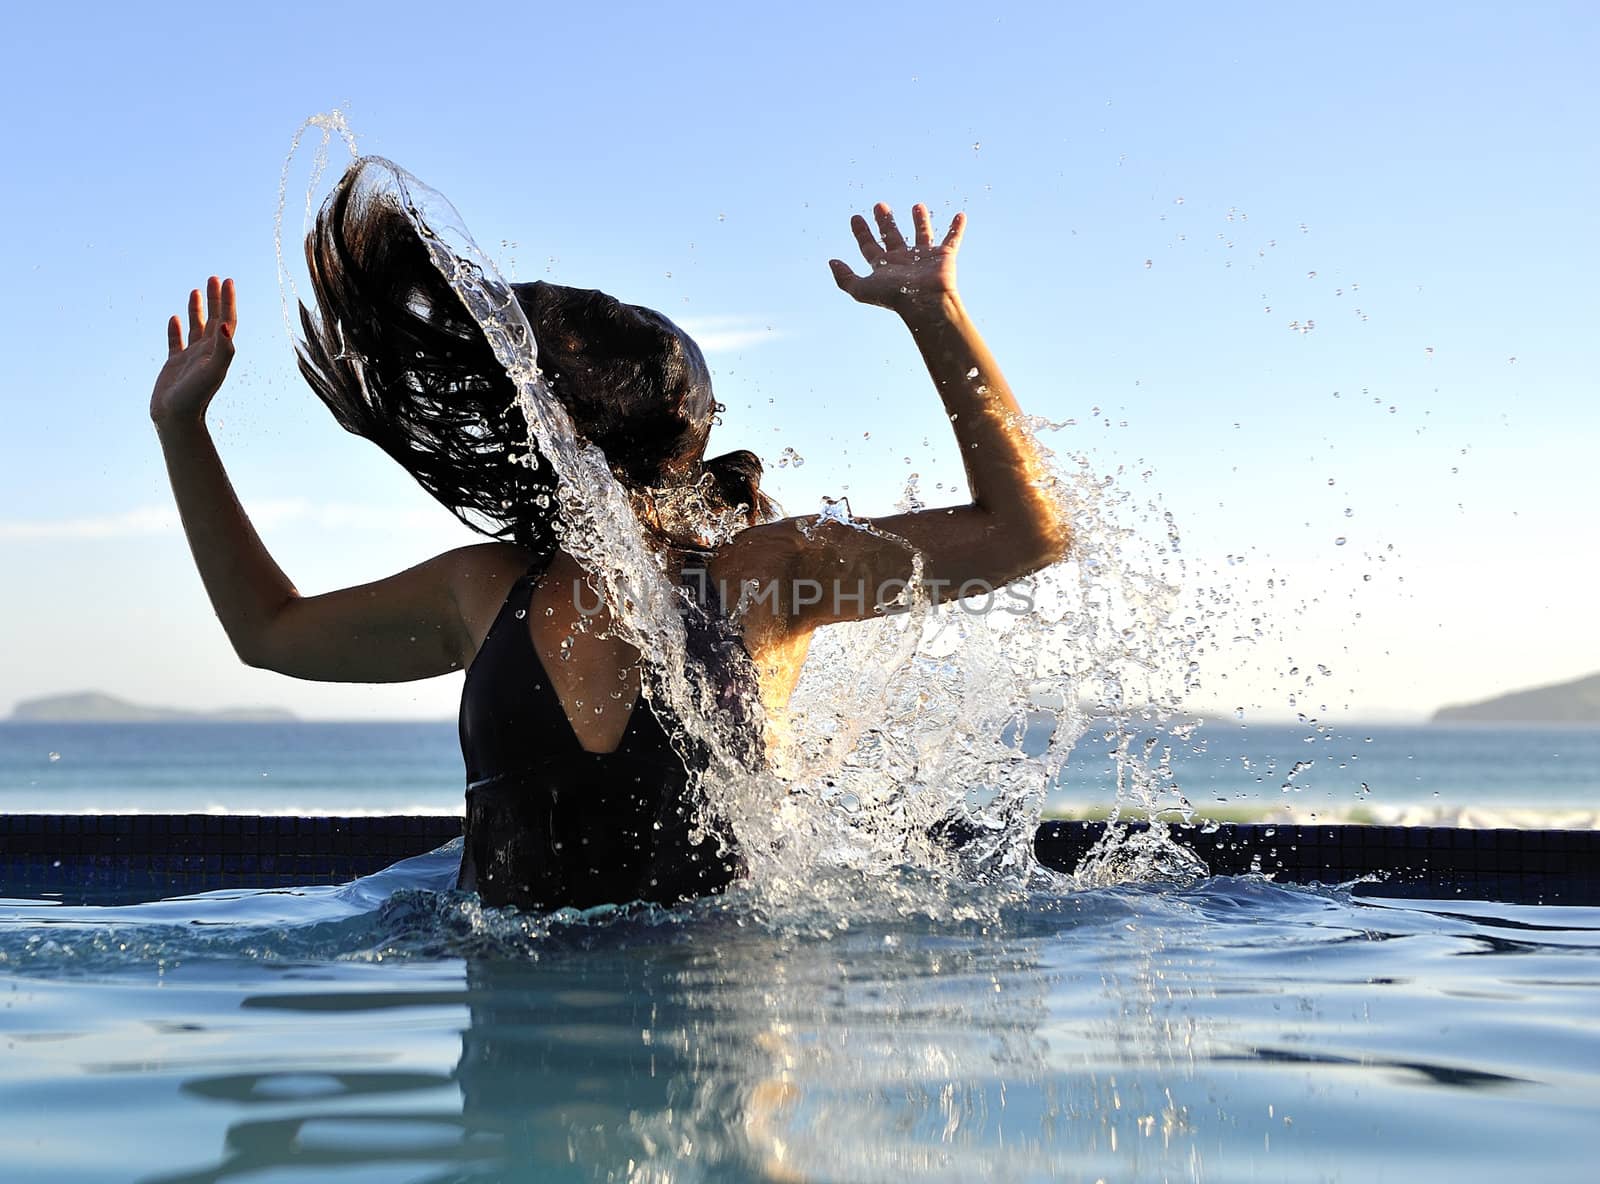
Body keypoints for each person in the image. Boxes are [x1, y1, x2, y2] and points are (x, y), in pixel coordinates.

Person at [149, 159, 1071, 911]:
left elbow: (1025, 534)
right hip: (519, 1063)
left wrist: (936, 315)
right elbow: (269, 632)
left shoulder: (770, 572)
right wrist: (183, 432)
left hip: (727, 1045)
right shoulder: (480, 589)